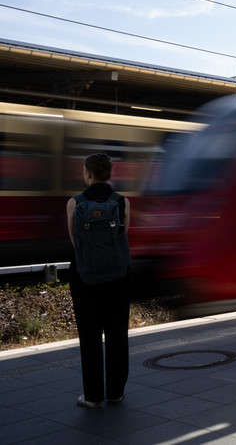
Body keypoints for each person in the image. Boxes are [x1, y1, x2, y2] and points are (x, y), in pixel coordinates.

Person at [66, 153, 131, 408]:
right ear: (110, 174)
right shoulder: (122, 202)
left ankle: (92, 396)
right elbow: (123, 237)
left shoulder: (74, 203)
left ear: (88, 174)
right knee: (117, 334)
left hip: (85, 276)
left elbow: (75, 241)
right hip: (118, 276)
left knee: (90, 336)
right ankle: (116, 392)